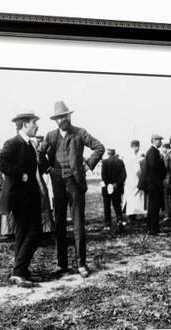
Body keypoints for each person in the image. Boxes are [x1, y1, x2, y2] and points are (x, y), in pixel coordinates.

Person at [38, 101, 105, 277]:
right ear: (55, 120)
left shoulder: (80, 133)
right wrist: (47, 168)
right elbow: (39, 154)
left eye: (65, 116)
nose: (62, 120)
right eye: (59, 117)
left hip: (75, 183)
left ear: (69, 116)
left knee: (78, 223)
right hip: (57, 183)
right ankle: (62, 264)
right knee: (59, 223)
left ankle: (81, 263)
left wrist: (87, 165)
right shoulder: (50, 136)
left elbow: (99, 147)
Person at [0, 110, 42, 287]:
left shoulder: (29, 145)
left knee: (22, 234)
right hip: (19, 196)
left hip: (28, 196)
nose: (37, 126)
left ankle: (21, 272)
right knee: (34, 233)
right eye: (34, 123)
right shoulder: (13, 143)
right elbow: (0, 162)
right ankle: (19, 271)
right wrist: (20, 174)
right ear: (24, 125)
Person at [140, 134, 166, 235]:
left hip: (154, 184)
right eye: (158, 140)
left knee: (153, 207)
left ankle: (151, 228)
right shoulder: (152, 152)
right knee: (154, 207)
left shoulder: (153, 152)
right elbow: (154, 167)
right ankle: (154, 229)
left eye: (160, 140)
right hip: (154, 184)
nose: (160, 142)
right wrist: (162, 162)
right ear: (153, 141)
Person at [31, 135, 55, 235]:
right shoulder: (37, 155)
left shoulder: (37, 154)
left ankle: (44, 228)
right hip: (39, 180)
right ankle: (45, 228)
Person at [101, 148, 126, 232]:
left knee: (107, 206)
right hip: (117, 187)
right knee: (117, 205)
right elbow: (123, 175)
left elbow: (103, 175)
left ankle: (108, 224)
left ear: (108, 153)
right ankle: (119, 220)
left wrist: (108, 184)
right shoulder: (120, 161)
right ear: (115, 153)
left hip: (106, 187)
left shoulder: (104, 162)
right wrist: (116, 184)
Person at [122, 140, 146, 220]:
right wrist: (142, 178)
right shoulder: (133, 157)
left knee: (130, 197)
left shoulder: (128, 155)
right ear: (136, 147)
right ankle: (132, 214)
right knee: (135, 197)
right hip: (134, 179)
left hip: (129, 179)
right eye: (138, 146)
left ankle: (131, 214)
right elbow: (138, 171)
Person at [161, 143, 171, 220]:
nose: (162, 150)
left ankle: (168, 214)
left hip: (166, 178)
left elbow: (165, 167)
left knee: (166, 197)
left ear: (166, 148)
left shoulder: (167, 156)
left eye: (163, 148)